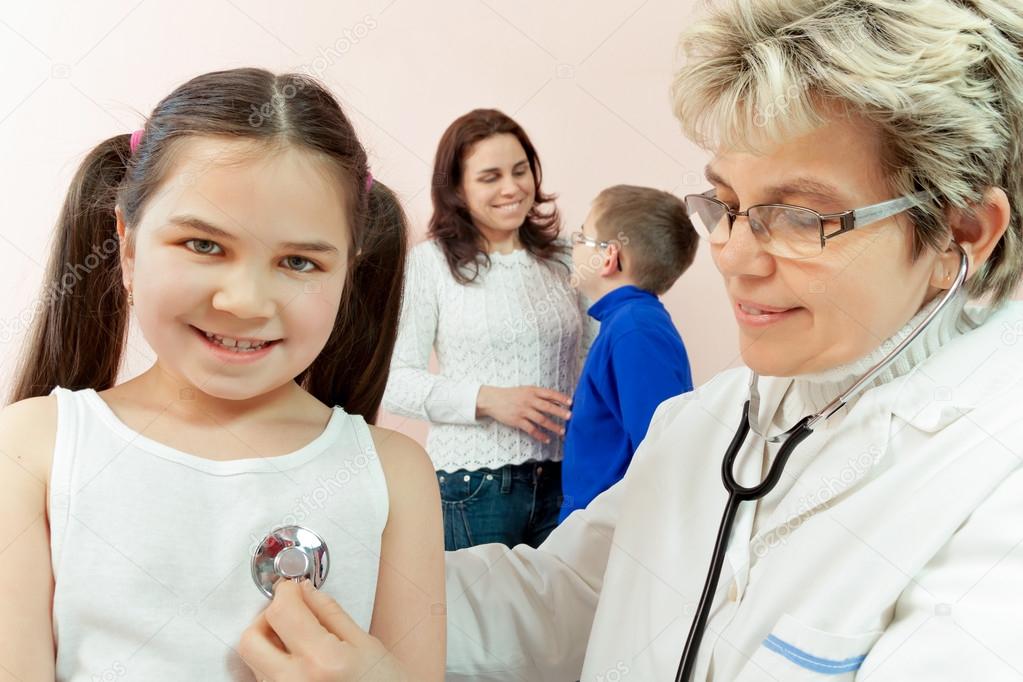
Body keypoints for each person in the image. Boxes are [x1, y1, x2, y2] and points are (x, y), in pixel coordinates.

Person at [444, 1, 1023, 679]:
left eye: (799, 216)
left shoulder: (995, 475)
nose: (731, 256)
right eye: (723, 204)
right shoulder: (705, 425)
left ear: (961, 232)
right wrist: (344, 580)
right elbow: (571, 599)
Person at [0, 68, 444, 682]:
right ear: (127, 247)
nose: (245, 301)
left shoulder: (394, 473)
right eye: (203, 245)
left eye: (298, 261)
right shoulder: (32, 448)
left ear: (349, 272)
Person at [382, 109, 595, 551]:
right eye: (490, 176)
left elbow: (596, 357)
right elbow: (393, 381)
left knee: (561, 617)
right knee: (478, 620)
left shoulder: (567, 257)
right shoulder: (430, 265)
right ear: (457, 188)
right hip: (472, 488)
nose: (511, 188)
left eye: (520, 171)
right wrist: (488, 399)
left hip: (566, 478)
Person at [559, 185, 697, 521]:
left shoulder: (636, 330)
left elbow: (659, 452)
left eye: (582, 237)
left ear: (609, 257)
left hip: (610, 538)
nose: (573, 246)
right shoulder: (624, 323)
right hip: (594, 531)